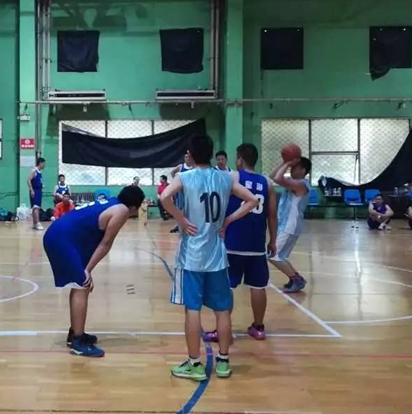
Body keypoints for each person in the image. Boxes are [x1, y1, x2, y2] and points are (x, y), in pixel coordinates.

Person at [160, 135, 258, 382]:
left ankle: (195, 364)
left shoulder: (185, 177)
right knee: (222, 310)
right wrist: (229, 220)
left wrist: (181, 219)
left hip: (192, 256)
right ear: (213, 154)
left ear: (191, 154)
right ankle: (223, 362)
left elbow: (163, 197)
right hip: (216, 255)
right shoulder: (226, 177)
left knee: (192, 310)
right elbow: (252, 200)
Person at [43, 186, 145, 357]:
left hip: (61, 235)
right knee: (82, 285)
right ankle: (78, 342)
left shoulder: (112, 202)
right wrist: (87, 270)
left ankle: (76, 333)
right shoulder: (121, 211)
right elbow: (106, 243)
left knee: (80, 285)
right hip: (60, 238)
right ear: (134, 207)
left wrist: (87, 269)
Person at [204, 143, 276, 343]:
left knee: (225, 286)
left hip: (233, 241)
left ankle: (222, 330)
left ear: (240, 159)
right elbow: (272, 215)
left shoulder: (233, 177)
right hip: (257, 243)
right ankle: (259, 327)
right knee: (258, 286)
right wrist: (273, 240)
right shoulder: (267, 182)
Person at [269, 156, 312, 294]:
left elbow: (277, 178)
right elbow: (272, 176)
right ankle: (295, 279)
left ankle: (297, 280)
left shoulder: (302, 185)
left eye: (294, 167)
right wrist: (284, 162)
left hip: (290, 225)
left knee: (272, 255)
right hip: (285, 225)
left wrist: (287, 162)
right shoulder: (293, 183)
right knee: (279, 256)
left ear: (303, 170)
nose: (291, 169)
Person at [169, 153, 194, 233]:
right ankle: (178, 224)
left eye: (188, 157)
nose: (187, 158)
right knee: (180, 208)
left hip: (190, 190)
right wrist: (176, 181)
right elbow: (172, 172)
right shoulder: (181, 166)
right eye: (185, 157)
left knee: (190, 207)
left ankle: (188, 223)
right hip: (181, 191)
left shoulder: (194, 167)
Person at [28, 157, 46, 231]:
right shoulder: (34, 171)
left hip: (39, 190)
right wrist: (32, 190)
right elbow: (28, 180)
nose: (44, 165)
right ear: (40, 163)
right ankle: (38, 223)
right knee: (36, 207)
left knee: (36, 207)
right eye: (44, 164)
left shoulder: (39, 172)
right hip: (35, 190)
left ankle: (35, 223)